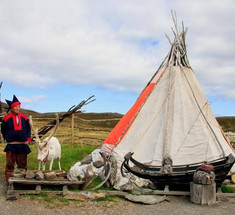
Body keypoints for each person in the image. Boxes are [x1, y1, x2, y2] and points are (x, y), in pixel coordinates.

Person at [1, 95, 31, 183]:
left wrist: (28, 138)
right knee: (10, 164)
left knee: (22, 164)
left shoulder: (24, 118)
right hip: (11, 144)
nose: (18, 108)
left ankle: (22, 181)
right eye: (16, 106)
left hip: (22, 144)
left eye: (19, 106)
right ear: (12, 108)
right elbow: (3, 129)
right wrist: (6, 137)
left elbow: (28, 129)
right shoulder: (6, 119)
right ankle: (9, 181)